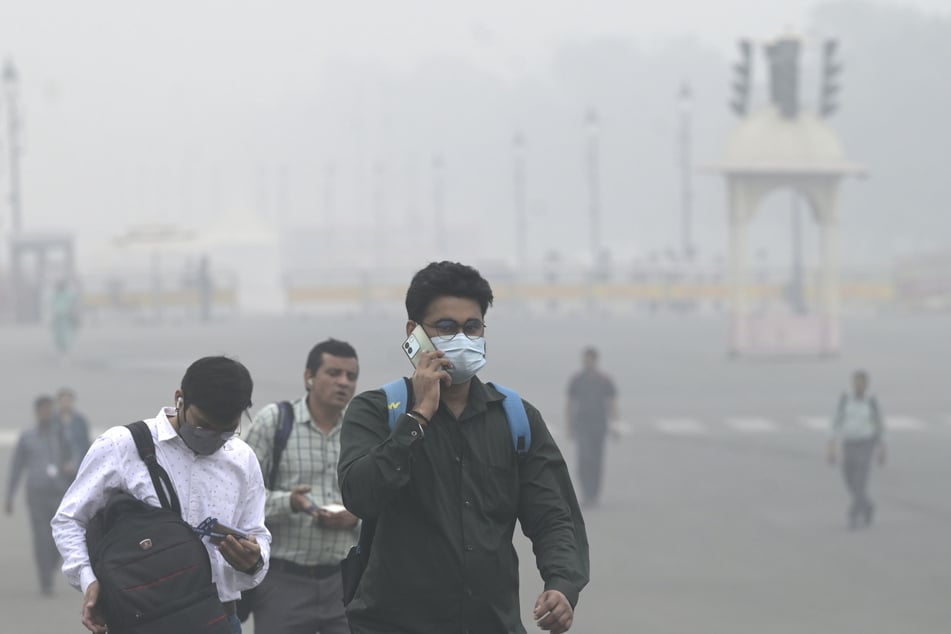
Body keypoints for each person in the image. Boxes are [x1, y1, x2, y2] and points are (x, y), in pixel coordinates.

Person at [339, 261, 589, 634]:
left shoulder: (516, 418)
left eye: (472, 327)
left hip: (491, 623)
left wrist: (562, 585)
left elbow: (553, 515)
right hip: (394, 623)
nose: (462, 338)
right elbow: (360, 495)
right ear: (414, 334)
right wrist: (418, 417)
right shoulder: (377, 411)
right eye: (446, 327)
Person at [51, 356, 271, 634]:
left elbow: (258, 533)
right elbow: (69, 519)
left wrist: (254, 561)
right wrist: (87, 579)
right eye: (203, 426)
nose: (213, 438)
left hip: (220, 620)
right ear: (180, 398)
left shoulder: (242, 459)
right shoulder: (122, 445)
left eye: (226, 431)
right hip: (141, 621)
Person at [244, 339, 360, 633]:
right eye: (333, 373)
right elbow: (241, 499)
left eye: (351, 376)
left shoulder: (360, 430)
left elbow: (381, 499)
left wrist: (356, 516)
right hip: (283, 581)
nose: (343, 383)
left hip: (344, 582)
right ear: (309, 377)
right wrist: (291, 503)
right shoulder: (276, 422)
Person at [5, 395, 74, 596]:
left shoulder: (62, 435)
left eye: (49, 409)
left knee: (57, 538)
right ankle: (45, 577)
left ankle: (51, 565)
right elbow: (16, 467)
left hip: (59, 492)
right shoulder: (27, 437)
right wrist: (9, 496)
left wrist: (71, 468)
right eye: (43, 410)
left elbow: (74, 459)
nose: (47, 413)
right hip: (36, 493)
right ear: (37, 412)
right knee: (41, 536)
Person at [827, 370, 886, 530]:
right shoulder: (845, 399)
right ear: (852, 383)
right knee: (848, 478)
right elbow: (836, 422)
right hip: (849, 443)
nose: (859, 385)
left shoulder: (872, 401)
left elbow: (879, 425)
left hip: (866, 443)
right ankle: (867, 505)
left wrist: (882, 447)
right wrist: (831, 445)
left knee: (861, 480)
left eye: (862, 382)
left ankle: (853, 513)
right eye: (856, 382)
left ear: (866, 385)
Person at [565, 346, 618, 508]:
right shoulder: (577, 379)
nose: (587, 361)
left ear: (596, 360)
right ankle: (586, 493)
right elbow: (570, 404)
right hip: (582, 425)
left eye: (590, 358)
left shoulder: (604, 380)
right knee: (584, 459)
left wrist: (615, 424)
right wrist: (569, 426)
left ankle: (594, 494)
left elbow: (611, 403)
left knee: (597, 461)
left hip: (599, 425)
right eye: (585, 358)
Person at [56, 387, 92, 474]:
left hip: (78, 463)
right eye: (63, 401)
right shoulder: (54, 421)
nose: (66, 404)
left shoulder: (80, 421)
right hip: (59, 465)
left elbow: (85, 442)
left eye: (68, 401)